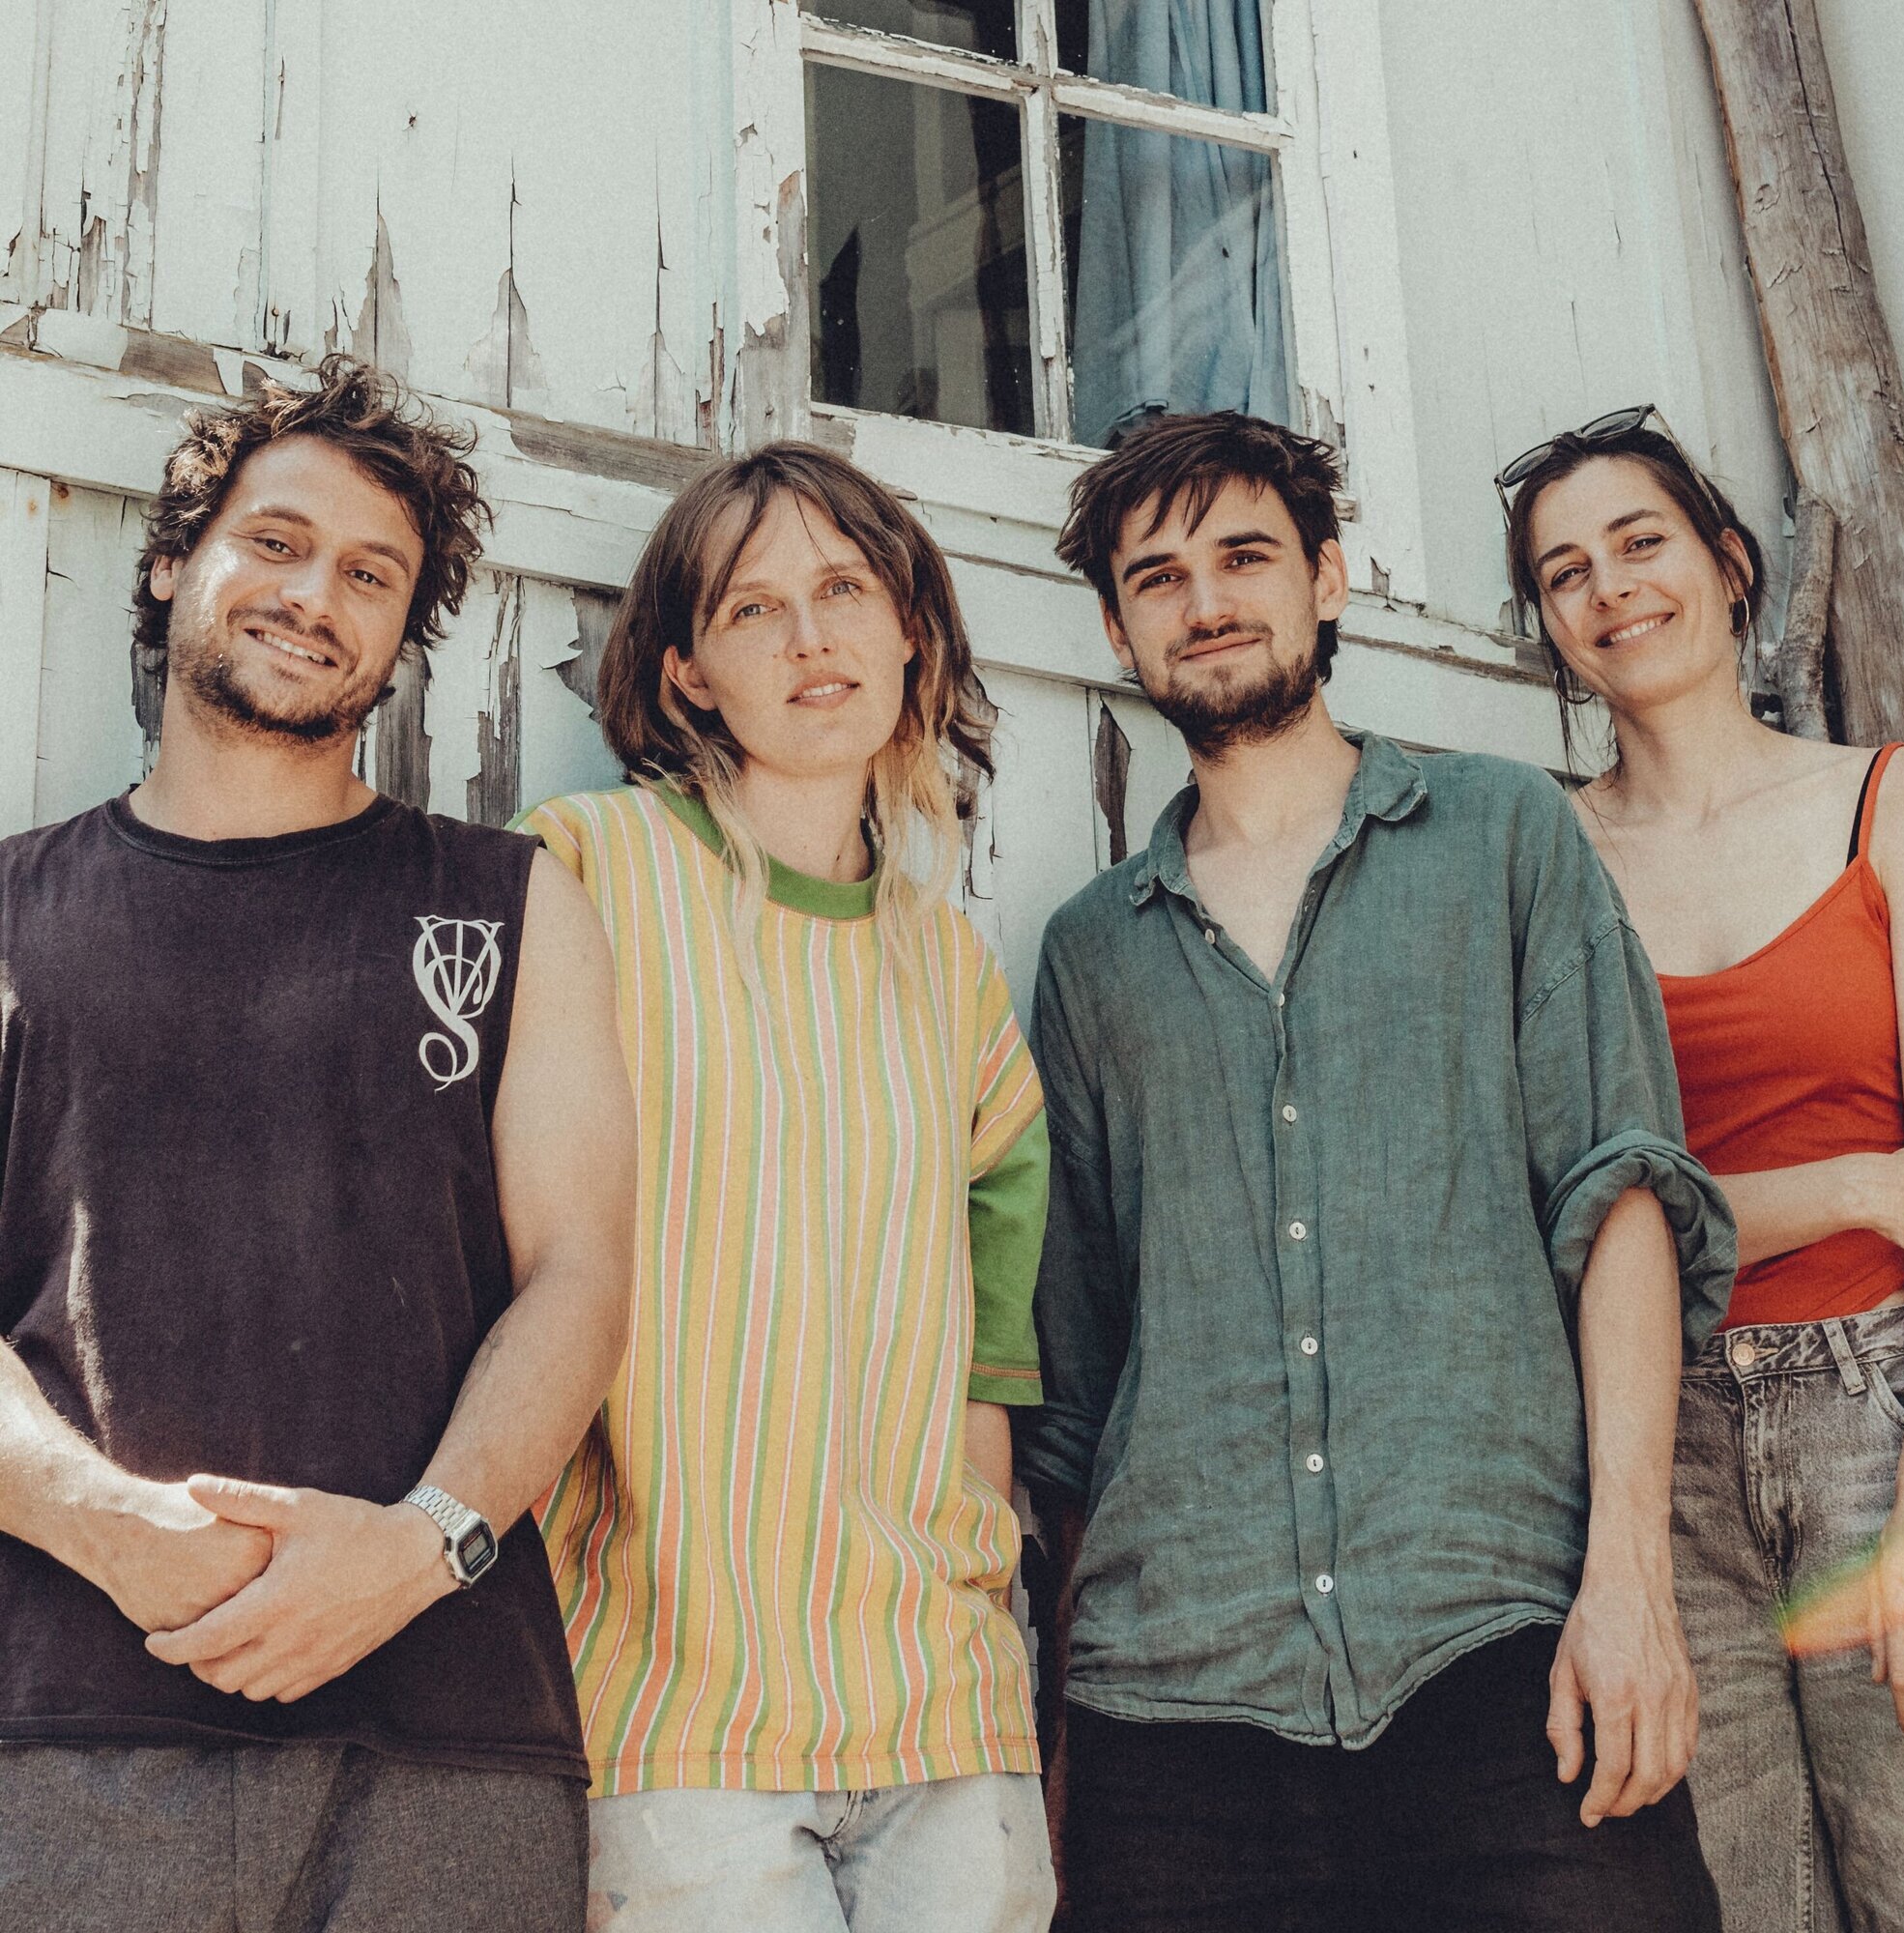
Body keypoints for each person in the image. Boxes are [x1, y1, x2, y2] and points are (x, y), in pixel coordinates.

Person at [1018, 409, 1737, 1932]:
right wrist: (1062, 1737)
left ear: (1328, 579)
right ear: (1117, 630)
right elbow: (1076, 1374)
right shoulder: (1090, 956)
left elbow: (1620, 1200)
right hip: (1176, 1711)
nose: (1206, 601)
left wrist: (1632, 1583)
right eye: (1157, 578)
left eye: (1245, 556)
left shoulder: (1502, 835)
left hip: (1505, 1649)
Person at [0, 355, 637, 1932]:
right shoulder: (10, 913)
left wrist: (423, 1547)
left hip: (447, 1739)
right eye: (275, 542)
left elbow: (579, 1279)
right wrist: (106, 1525)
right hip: (63, 1728)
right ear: (174, 561)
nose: (313, 597)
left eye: (370, 574)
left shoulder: (509, 904)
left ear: (403, 635)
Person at [519, 442, 1057, 1933]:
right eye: (755, 610)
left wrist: (980, 1599)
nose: (812, 637)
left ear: (910, 631)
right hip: (672, 1707)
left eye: (844, 591)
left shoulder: (951, 972)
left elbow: (990, 1359)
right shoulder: (583, 870)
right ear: (688, 675)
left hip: (943, 1710)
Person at [1503, 406, 1904, 1931]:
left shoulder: (1894, 804)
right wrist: (1856, 1185)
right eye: (1566, 572)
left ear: (1730, 562)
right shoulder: (1540, 860)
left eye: (1642, 542)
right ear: (1548, 626)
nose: (1611, 587)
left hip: (1886, 1414)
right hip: (1653, 1442)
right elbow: (1551, 1219)